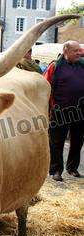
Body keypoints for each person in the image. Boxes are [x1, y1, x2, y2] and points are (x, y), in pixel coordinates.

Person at [44, 40, 84, 181]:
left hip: (80, 112)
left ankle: (72, 168)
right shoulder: (55, 67)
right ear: (66, 51)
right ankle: (56, 170)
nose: (79, 52)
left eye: (79, 50)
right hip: (59, 111)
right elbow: (45, 86)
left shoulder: (82, 65)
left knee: (78, 140)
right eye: (76, 50)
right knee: (56, 141)